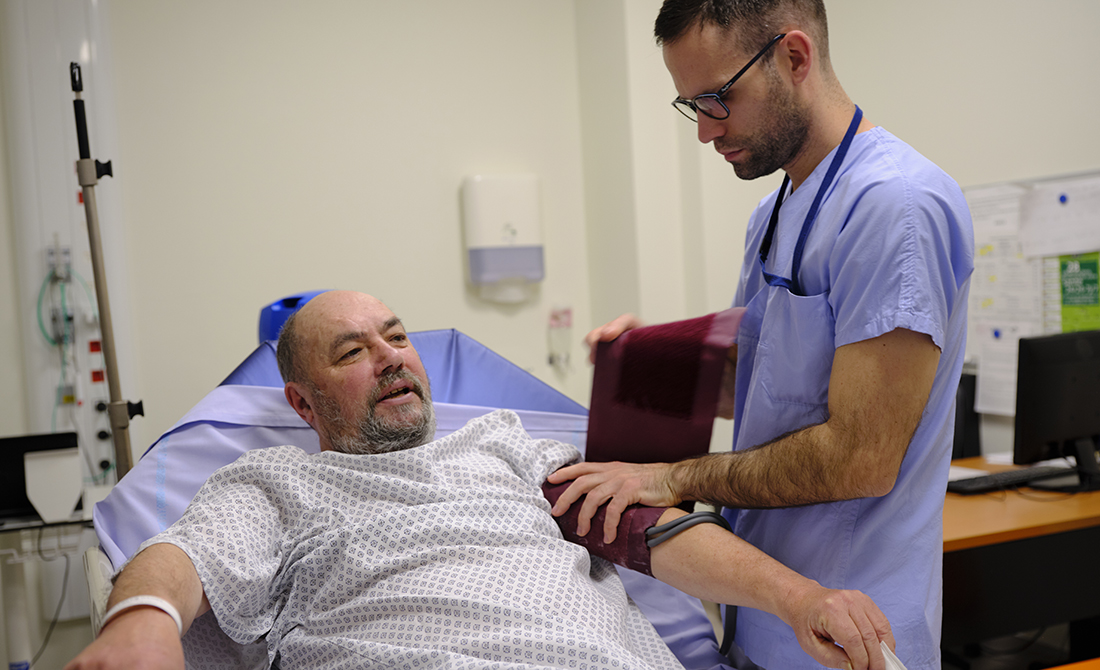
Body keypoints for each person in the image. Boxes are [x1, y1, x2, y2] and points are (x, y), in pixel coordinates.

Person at [67, 291, 893, 670]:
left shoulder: (505, 446)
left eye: (395, 336)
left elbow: (650, 532)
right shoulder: (277, 483)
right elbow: (183, 555)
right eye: (352, 352)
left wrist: (799, 599)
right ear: (301, 402)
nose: (391, 355)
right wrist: (140, 622)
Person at [547, 2, 973, 669]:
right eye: (692, 106)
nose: (705, 131)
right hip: (764, 622)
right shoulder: (773, 213)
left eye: (718, 98)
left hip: (852, 633)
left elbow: (859, 458)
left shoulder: (896, 207)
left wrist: (670, 478)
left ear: (794, 57)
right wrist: (646, 365)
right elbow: (762, 388)